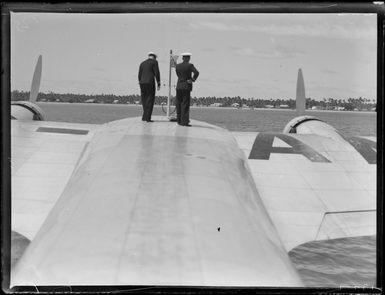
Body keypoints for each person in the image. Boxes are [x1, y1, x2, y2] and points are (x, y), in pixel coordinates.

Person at [175, 52, 199, 126]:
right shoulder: (190, 65)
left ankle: (179, 120)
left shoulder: (177, 66)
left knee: (178, 103)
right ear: (188, 58)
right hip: (186, 86)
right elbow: (196, 72)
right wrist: (192, 79)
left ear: (182, 58)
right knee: (185, 104)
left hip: (179, 86)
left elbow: (178, 74)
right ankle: (184, 121)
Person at [138, 52, 161, 122]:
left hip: (142, 82)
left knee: (144, 99)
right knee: (150, 99)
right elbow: (157, 72)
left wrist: (140, 81)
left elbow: (139, 74)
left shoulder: (142, 63)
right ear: (154, 57)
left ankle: (144, 116)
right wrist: (158, 82)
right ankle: (148, 118)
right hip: (150, 82)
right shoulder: (154, 62)